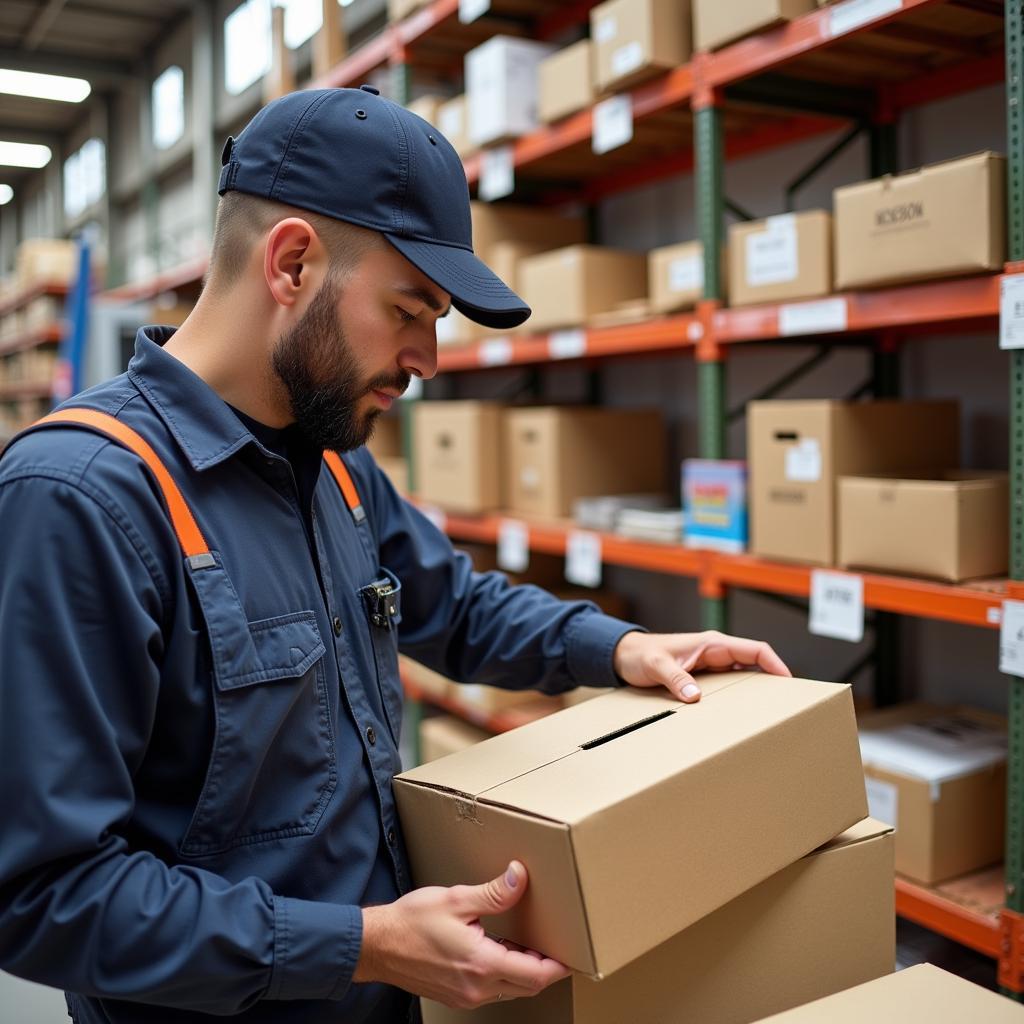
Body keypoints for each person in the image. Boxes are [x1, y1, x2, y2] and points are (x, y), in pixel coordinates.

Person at [0, 87, 790, 1023]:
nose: (429, 357)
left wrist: (620, 648)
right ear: (292, 262)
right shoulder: (81, 499)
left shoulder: (329, 463)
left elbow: (451, 604)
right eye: (410, 309)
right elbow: (40, 896)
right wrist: (363, 945)